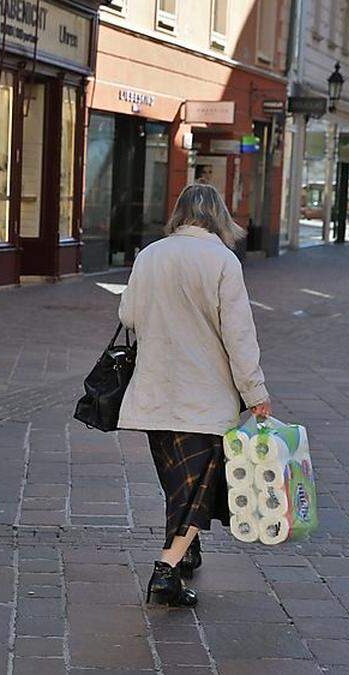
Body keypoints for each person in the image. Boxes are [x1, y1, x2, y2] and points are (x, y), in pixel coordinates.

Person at [117, 183, 270, 608]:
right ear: (219, 216)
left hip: (154, 390)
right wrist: (255, 392)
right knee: (197, 485)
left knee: (177, 483)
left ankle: (188, 547)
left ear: (179, 214)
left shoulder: (150, 255)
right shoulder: (222, 261)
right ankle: (165, 571)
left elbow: (127, 315)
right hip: (204, 397)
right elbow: (239, 336)